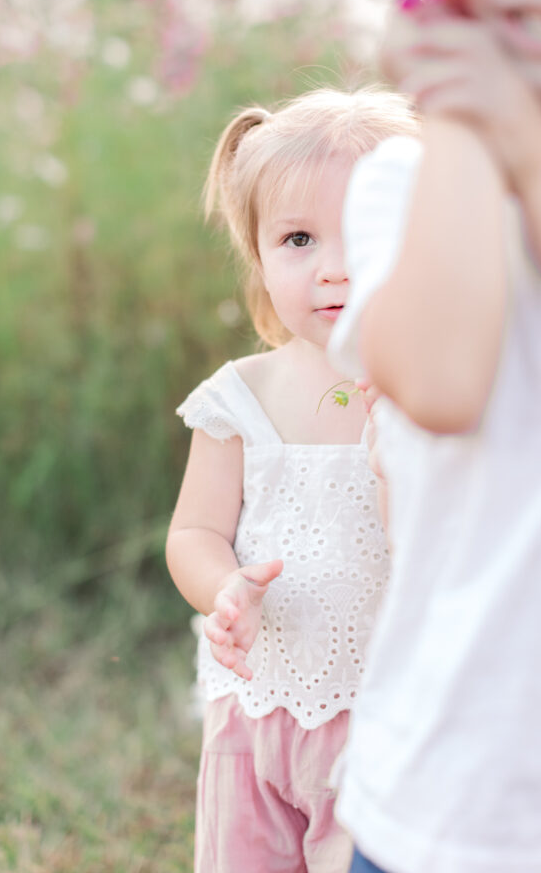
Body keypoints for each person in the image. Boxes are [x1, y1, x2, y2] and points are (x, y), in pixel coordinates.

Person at [328, 0, 541, 872]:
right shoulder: (408, 177)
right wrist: (462, 120)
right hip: (446, 808)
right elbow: (441, 383)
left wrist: (530, 149)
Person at [166, 87, 416, 873]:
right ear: (258, 253)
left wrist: (398, 447)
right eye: (298, 239)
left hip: (381, 723)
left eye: (367, 238)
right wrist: (222, 588)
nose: (333, 270)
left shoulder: (433, 396)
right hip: (255, 715)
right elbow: (194, 530)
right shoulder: (241, 395)